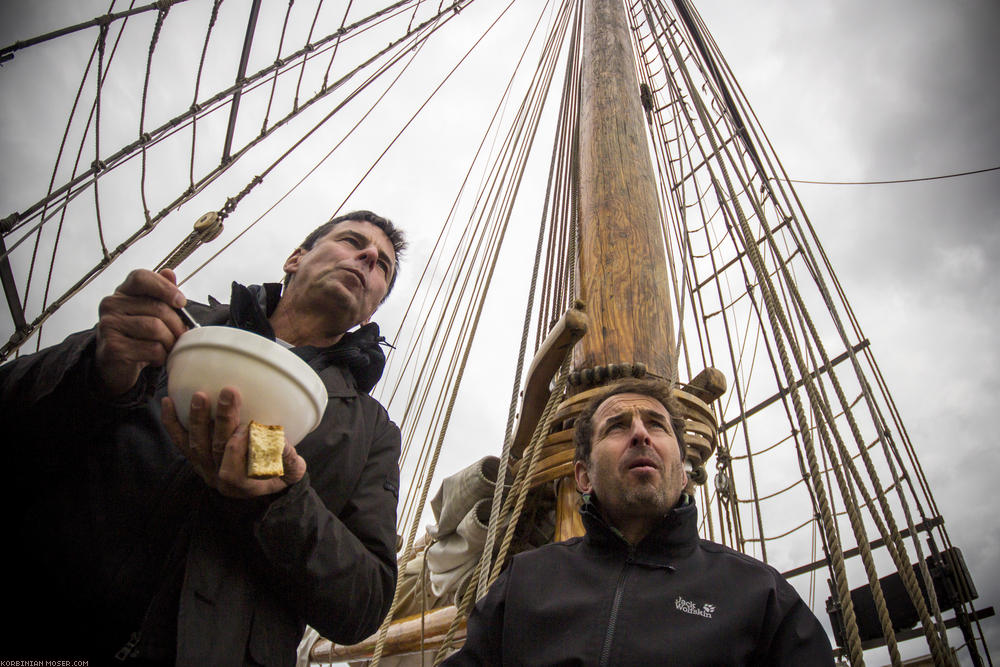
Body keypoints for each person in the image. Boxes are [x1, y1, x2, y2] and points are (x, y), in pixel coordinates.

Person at [0, 211, 406, 666]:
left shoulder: (372, 433)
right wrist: (98, 368)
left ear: (371, 309)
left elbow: (364, 603)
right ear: (296, 258)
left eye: (383, 267)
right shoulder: (166, 326)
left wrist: (281, 499)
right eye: (352, 241)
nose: (369, 256)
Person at [444, 378, 834, 666]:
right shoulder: (526, 583)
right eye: (617, 426)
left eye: (657, 424)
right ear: (583, 476)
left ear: (683, 473)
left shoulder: (759, 595)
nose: (640, 435)